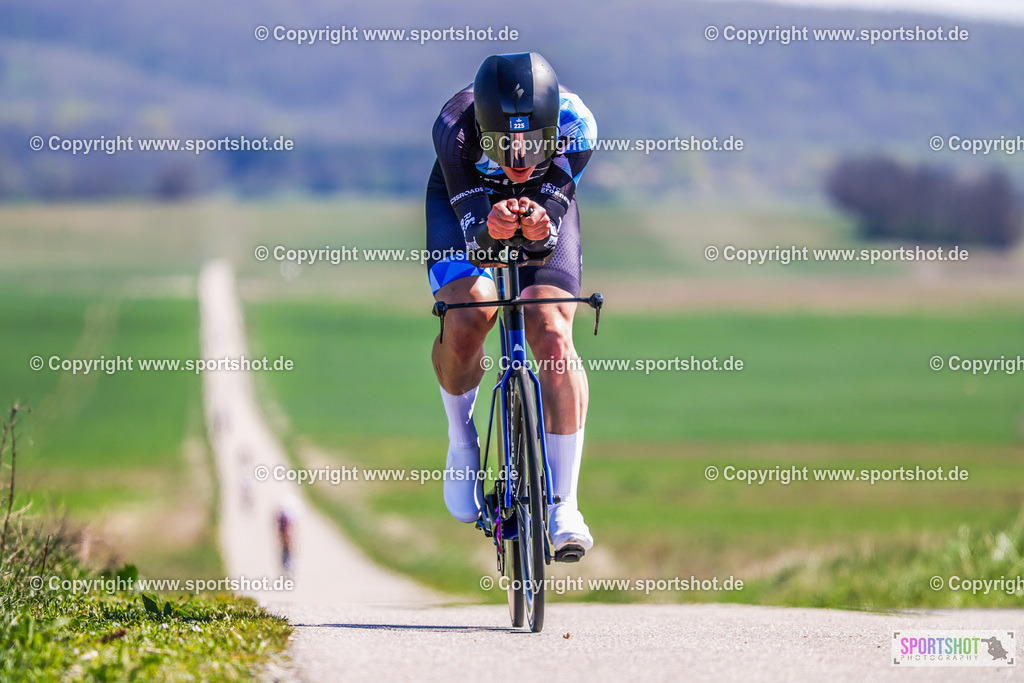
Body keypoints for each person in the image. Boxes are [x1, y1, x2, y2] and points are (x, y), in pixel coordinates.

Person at [426, 52, 597, 558]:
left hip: (544, 202)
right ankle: (462, 442)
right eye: (503, 145)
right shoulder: (455, 128)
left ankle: (565, 504)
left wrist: (544, 220)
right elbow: (478, 241)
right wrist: (487, 226)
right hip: (465, 199)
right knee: (469, 315)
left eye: (533, 144)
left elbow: (552, 215)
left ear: (553, 130)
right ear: (483, 129)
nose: (518, 159)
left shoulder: (578, 126)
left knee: (552, 331)